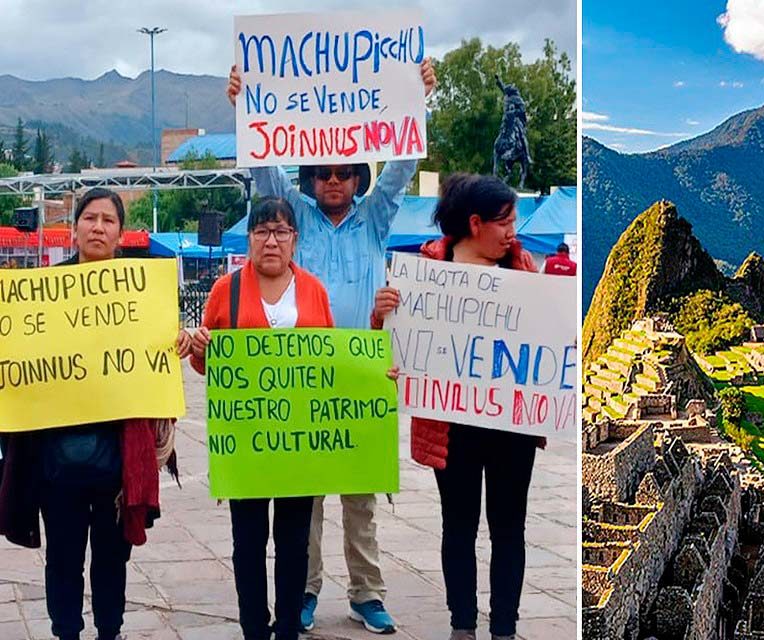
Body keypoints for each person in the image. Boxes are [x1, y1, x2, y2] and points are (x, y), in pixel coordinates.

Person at [226, 60, 437, 634]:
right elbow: (266, 172)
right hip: (305, 375)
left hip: (365, 371)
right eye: (324, 174)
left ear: (357, 180)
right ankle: (305, 591)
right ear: (311, 179)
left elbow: (400, 168)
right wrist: (247, 108)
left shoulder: (374, 221)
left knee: (361, 495)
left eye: (345, 173)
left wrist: (415, 103)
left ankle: (368, 592)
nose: (335, 182)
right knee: (308, 493)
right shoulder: (295, 221)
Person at [0, 187, 190, 640]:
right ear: (76, 227)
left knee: (112, 557)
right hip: (55, 459)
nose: (98, 227)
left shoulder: (141, 292)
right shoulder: (39, 295)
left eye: (108, 220)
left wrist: (179, 342)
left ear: (121, 233)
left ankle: (111, 630)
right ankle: (65, 630)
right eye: (90, 218)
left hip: (118, 463)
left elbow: (158, 355)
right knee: (63, 557)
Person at [371, 174, 542, 640]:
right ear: (474, 223)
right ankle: (462, 624)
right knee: (459, 525)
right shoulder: (426, 267)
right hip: (453, 423)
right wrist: (383, 315)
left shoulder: (522, 267)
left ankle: (504, 626)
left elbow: (541, 337)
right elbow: (390, 343)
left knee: (509, 527)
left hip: (511, 424)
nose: (512, 231)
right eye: (504, 221)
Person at [188, 198, 329, 640]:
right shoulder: (224, 291)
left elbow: (331, 362)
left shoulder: (313, 291)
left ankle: (287, 626)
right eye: (262, 231)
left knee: (293, 544)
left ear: (294, 241)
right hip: (246, 445)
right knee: (247, 543)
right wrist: (200, 350)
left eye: (281, 231)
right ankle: (254, 626)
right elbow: (208, 364)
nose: (272, 240)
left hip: (298, 444)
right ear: (248, 239)